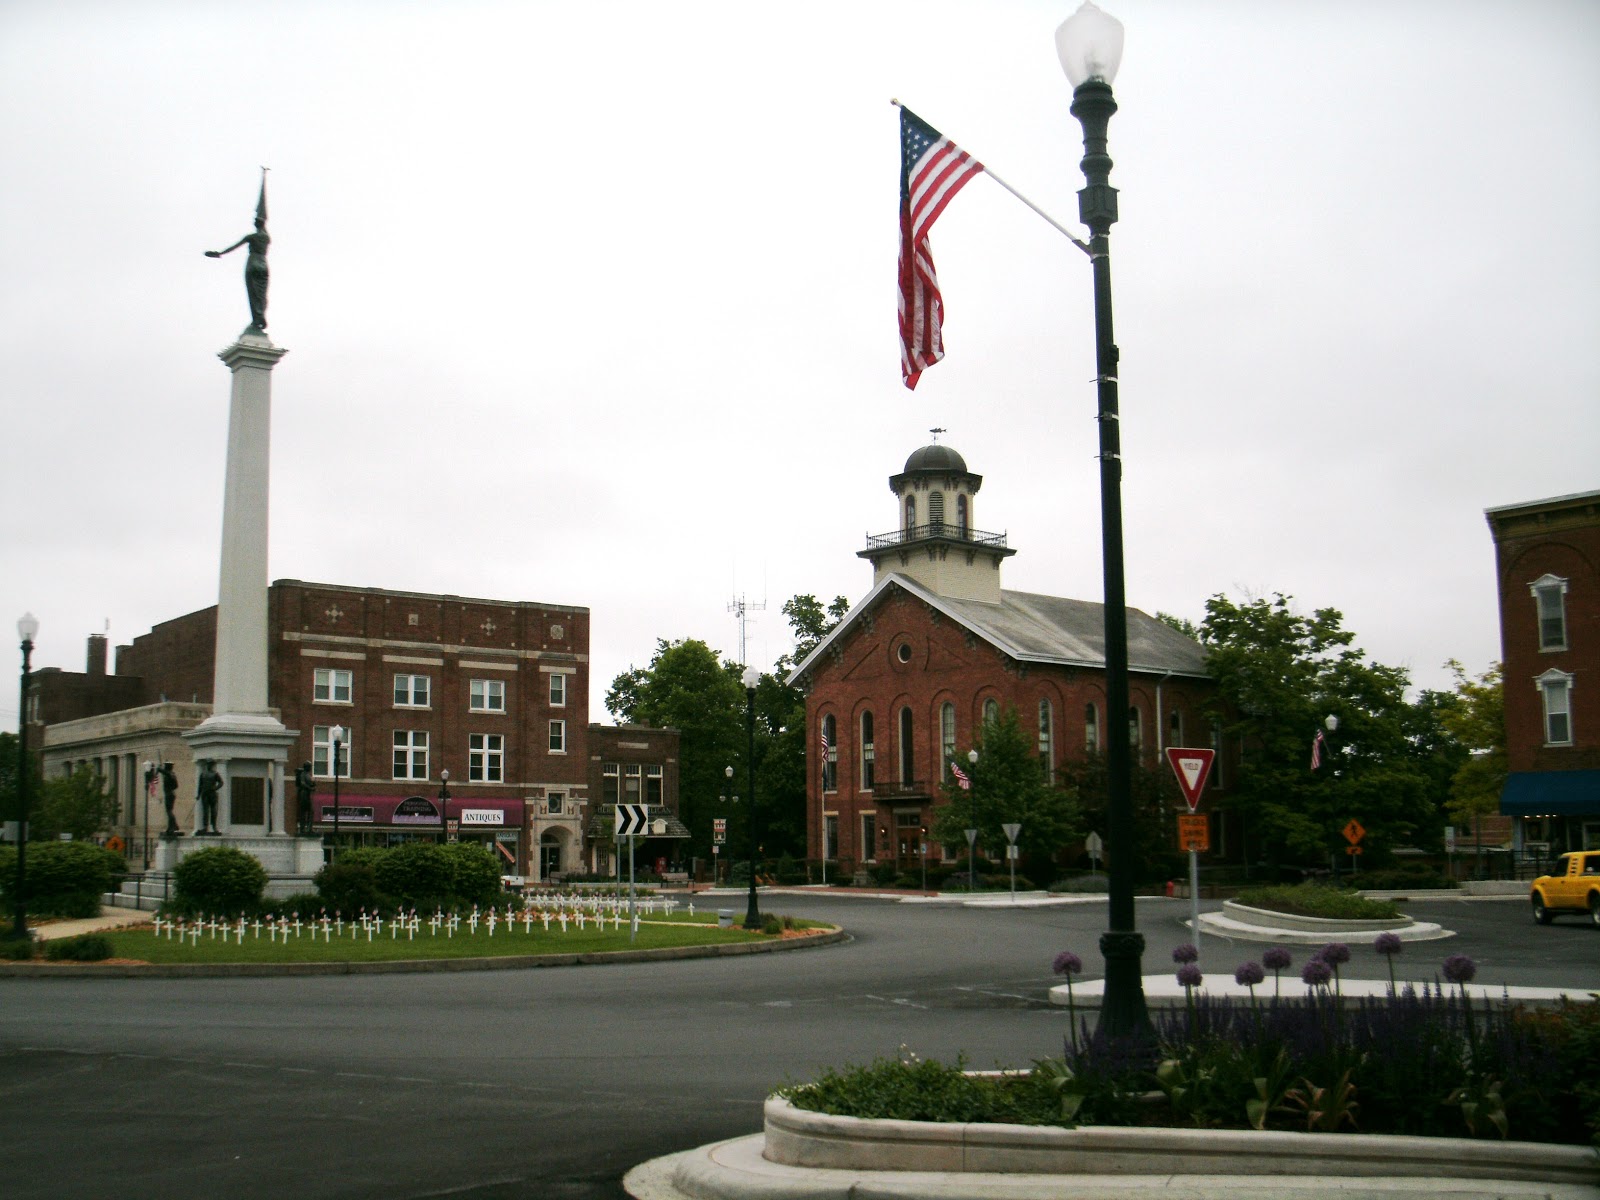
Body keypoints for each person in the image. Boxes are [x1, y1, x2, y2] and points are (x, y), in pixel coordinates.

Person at [205, 176, 271, 330]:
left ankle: (257, 318)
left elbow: (234, 247)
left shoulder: (251, 237)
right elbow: (263, 222)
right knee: (261, 294)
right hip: (264, 265)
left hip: (253, 263)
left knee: (253, 293)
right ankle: (261, 316)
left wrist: (220, 253)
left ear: (256, 223)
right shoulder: (267, 238)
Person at [196, 761, 223, 835]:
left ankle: (214, 827)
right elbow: (200, 785)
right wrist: (198, 795)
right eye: (208, 764)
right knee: (205, 811)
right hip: (205, 794)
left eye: (210, 765)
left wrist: (215, 788)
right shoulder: (203, 774)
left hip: (212, 794)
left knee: (213, 811)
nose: (209, 766)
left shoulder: (215, 774)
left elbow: (221, 782)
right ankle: (205, 827)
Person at [159, 762, 181, 837]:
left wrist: (159, 769)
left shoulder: (170, 774)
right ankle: (171, 826)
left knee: (169, 811)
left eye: (165, 766)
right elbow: (176, 786)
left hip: (169, 794)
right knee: (169, 811)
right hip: (171, 793)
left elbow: (164, 772)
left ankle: (174, 826)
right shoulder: (172, 775)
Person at [294, 761, 314, 836]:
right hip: (303, 794)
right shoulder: (303, 774)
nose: (311, 768)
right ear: (307, 767)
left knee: (311, 812)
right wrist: (310, 788)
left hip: (307, 794)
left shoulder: (308, 775)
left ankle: (309, 828)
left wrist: (312, 784)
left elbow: (309, 783)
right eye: (310, 766)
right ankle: (303, 829)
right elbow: (302, 783)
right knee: (304, 812)